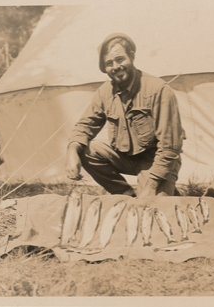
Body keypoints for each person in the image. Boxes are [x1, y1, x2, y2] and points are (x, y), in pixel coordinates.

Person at [65, 33, 185, 198]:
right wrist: (72, 151)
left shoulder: (158, 89)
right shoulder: (105, 92)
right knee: (85, 150)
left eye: (120, 59)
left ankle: (163, 189)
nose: (115, 67)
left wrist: (151, 186)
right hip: (126, 157)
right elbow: (85, 126)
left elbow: (170, 147)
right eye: (109, 63)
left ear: (132, 56)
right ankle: (125, 193)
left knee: (150, 210)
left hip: (157, 161)